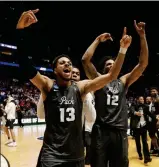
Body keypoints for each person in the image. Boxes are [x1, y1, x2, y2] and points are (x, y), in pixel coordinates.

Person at [15, 9, 130, 167]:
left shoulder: (80, 87)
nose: (67, 64)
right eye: (62, 63)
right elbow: (25, 64)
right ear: (55, 70)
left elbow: (111, 76)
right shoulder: (48, 85)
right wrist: (20, 30)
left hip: (75, 156)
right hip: (51, 156)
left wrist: (122, 50)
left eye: (68, 62)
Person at [82, 20, 148, 167]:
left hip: (120, 130)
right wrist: (98, 40)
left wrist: (142, 37)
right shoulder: (98, 80)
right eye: (108, 65)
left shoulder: (123, 81)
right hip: (101, 131)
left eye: (113, 64)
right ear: (104, 69)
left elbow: (143, 64)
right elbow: (85, 60)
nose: (111, 66)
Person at [130, 96, 151, 164]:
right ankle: (140, 154)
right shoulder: (134, 105)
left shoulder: (146, 106)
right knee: (138, 142)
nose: (142, 100)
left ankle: (147, 158)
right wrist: (136, 113)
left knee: (145, 142)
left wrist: (156, 117)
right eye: (140, 99)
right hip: (136, 127)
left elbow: (150, 114)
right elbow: (132, 110)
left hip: (144, 126)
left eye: (143, 99)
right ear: (138, 100)